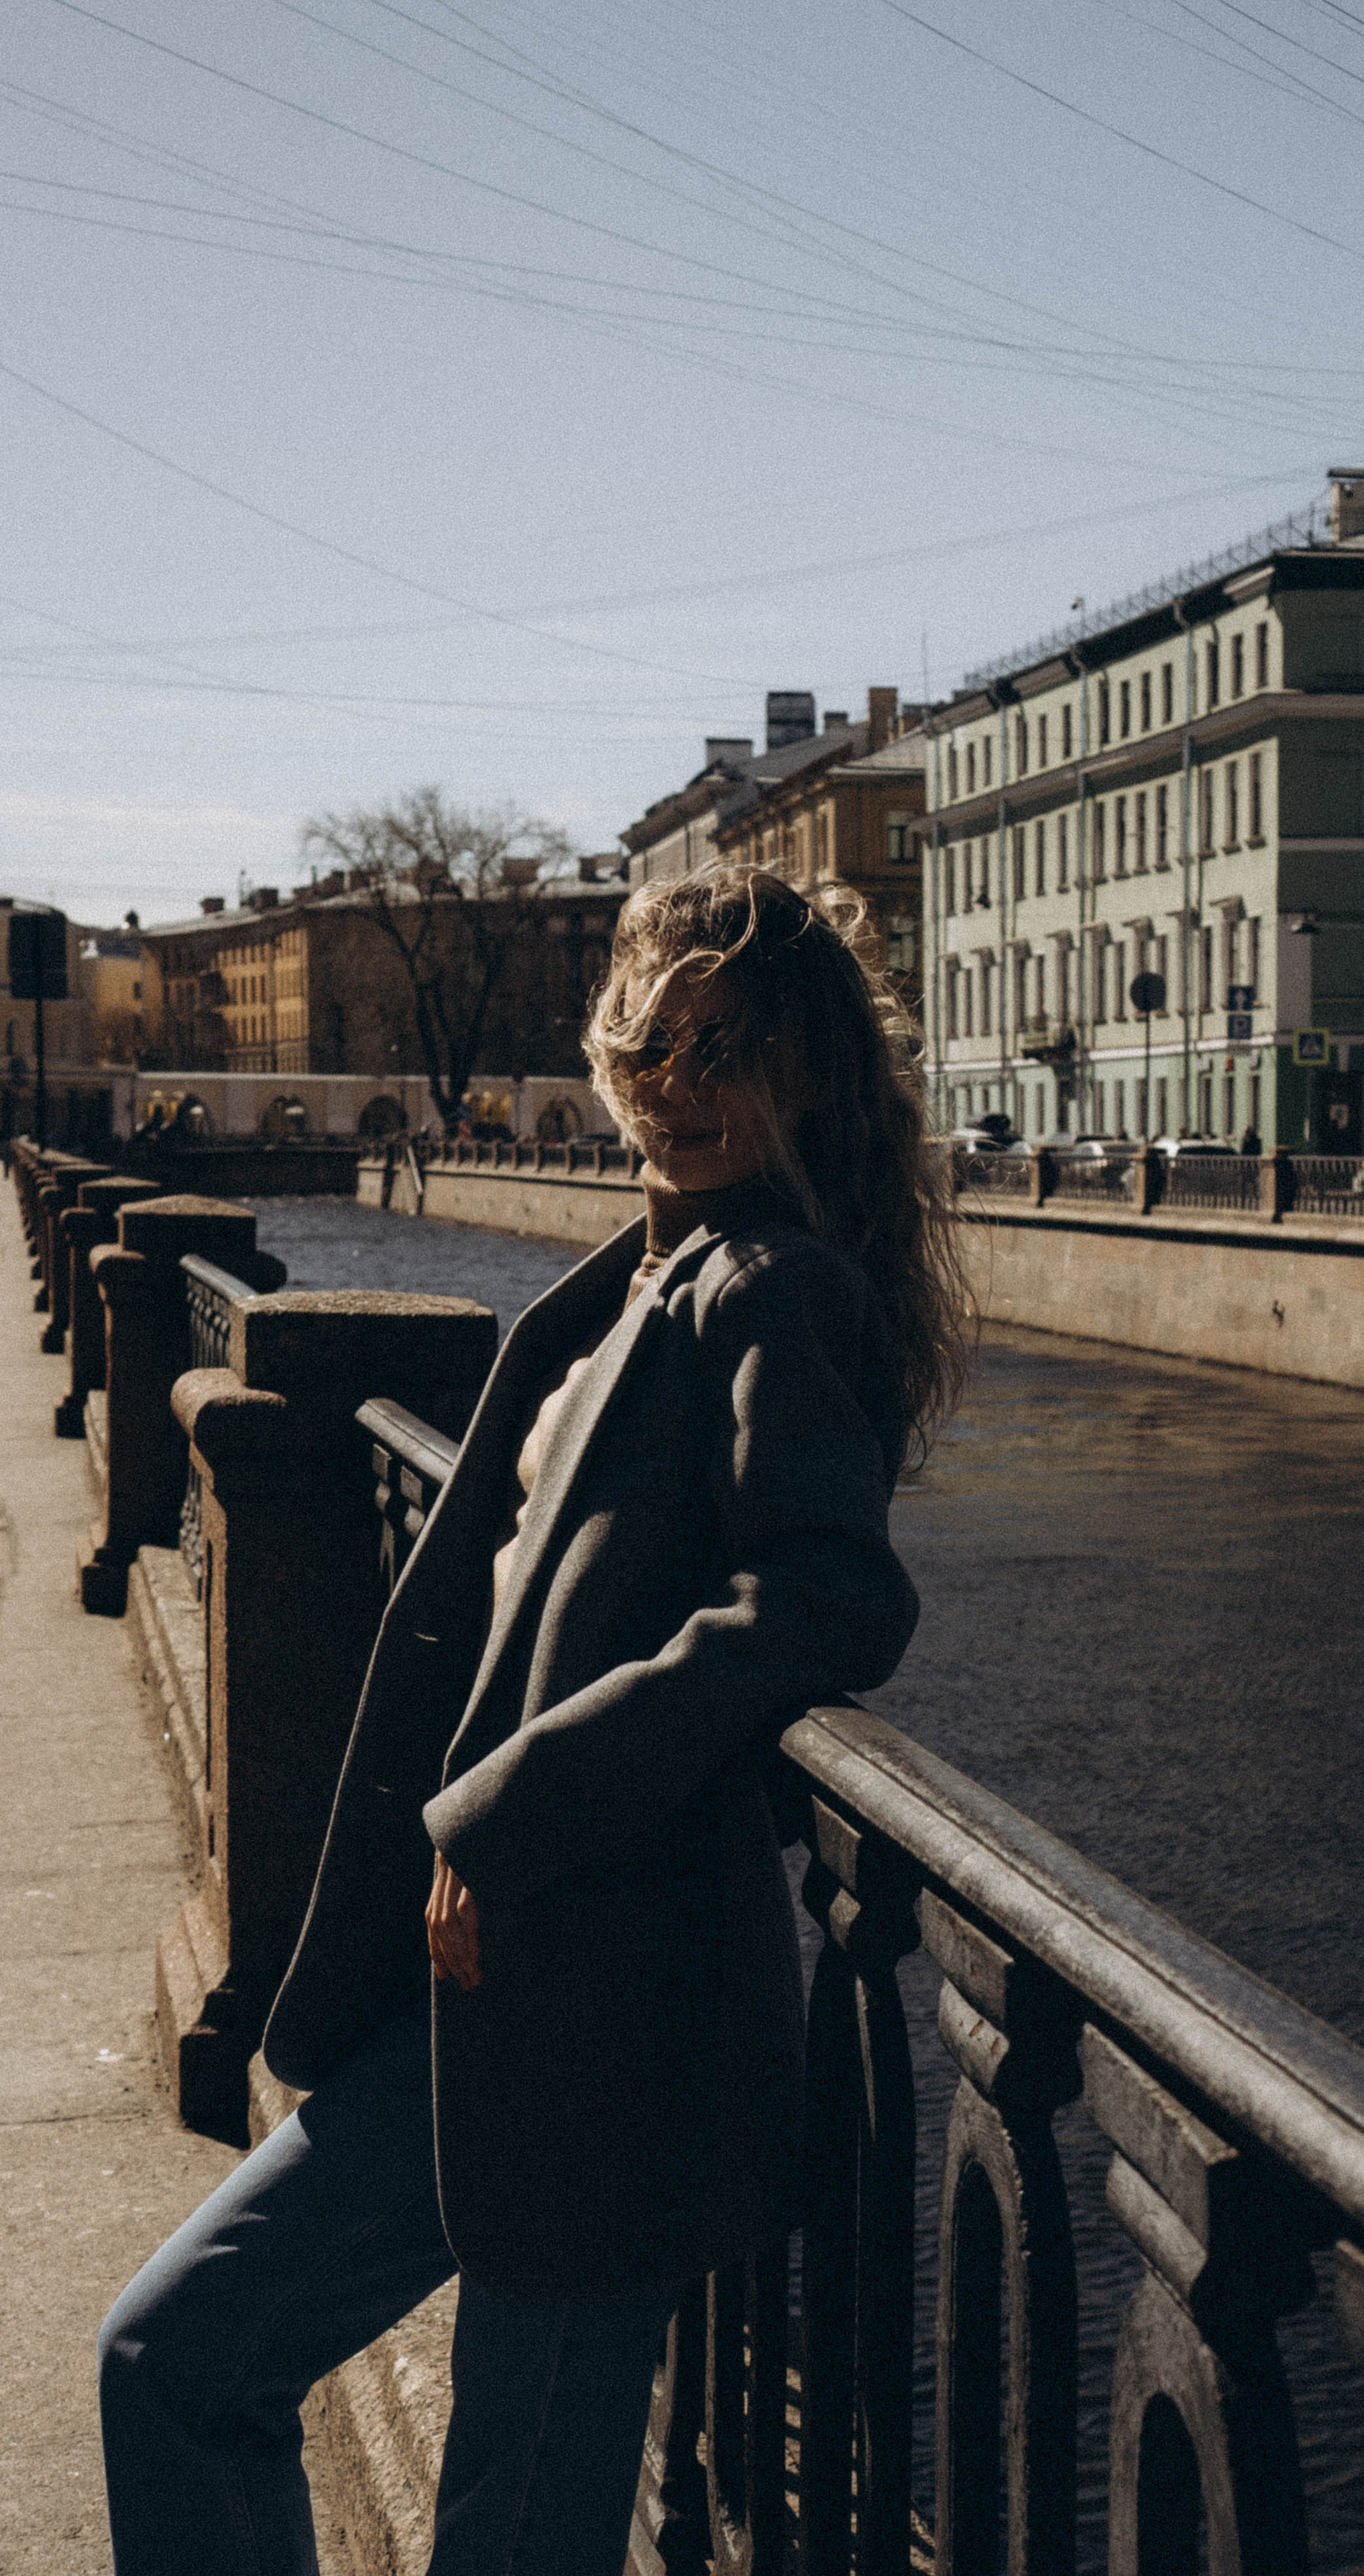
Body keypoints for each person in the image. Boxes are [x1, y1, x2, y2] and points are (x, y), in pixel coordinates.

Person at [98, 865, 966, 2575]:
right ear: (609, 1044)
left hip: (607, 2019)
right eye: (656, 1039)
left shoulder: (769, 1290)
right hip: (476, 1994)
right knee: (172, 2355)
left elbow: (827, 1600)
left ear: (808, 1077)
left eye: (733, 1050)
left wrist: (501, 1815)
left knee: (508, 2532)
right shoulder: (633, 1282)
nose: (683, 1084)